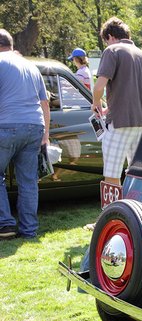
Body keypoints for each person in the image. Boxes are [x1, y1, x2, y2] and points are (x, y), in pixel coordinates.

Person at [92, 17, 142, 190]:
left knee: (111, 174)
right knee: (138, 174)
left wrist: (95, 104)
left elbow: (99, 87)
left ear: (110, 36)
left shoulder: (112, 50)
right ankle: (137, 210)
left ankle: (114, 214)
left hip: (119, 123)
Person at [0, 29, 50, 239]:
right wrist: (45, 134)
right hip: (34, 126)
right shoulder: (31, 65)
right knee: (28, 181)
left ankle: (6, 225)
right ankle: (29, 230)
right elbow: (45, 103)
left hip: (6, 125)